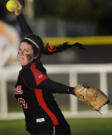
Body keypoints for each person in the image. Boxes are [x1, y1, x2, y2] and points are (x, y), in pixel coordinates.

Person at [12, 0, 85, 135]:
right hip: (43, 126)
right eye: (20, 49)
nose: (21, 53)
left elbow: (46, 84)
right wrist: (19, 15)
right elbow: (30, 39)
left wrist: (71, 90)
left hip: (50, 127)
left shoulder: (31, 70)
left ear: (36, 55)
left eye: (26, 51)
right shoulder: (28, 69)